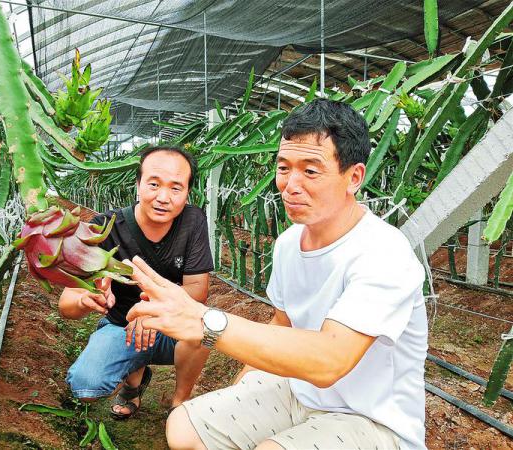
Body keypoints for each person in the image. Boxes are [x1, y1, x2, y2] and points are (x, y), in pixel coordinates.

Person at [124, 99, 428, 449]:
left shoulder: (383, 251)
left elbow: (330, 359)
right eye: (284, 168)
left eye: (310, 171)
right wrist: (242, 388)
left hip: (373, 420)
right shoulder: (288, 243)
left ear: (354, 177)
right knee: (183, 427)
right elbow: (282, 323)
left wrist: (208, 322)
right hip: (300, 390)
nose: (290, 184)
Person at [59, 145, 214, 419]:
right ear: (138, 184)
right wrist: (85, 299)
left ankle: (179, 402)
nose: (163, 197)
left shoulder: (192, 220)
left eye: (176, 188)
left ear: (188, 192)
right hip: (122, 326)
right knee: (86, 386)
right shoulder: (104, 227)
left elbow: (198, 290)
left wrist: (151, 311)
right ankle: (134, 381)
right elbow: (66, 304)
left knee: (208, 328)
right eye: (154, 184)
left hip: (172, 326)